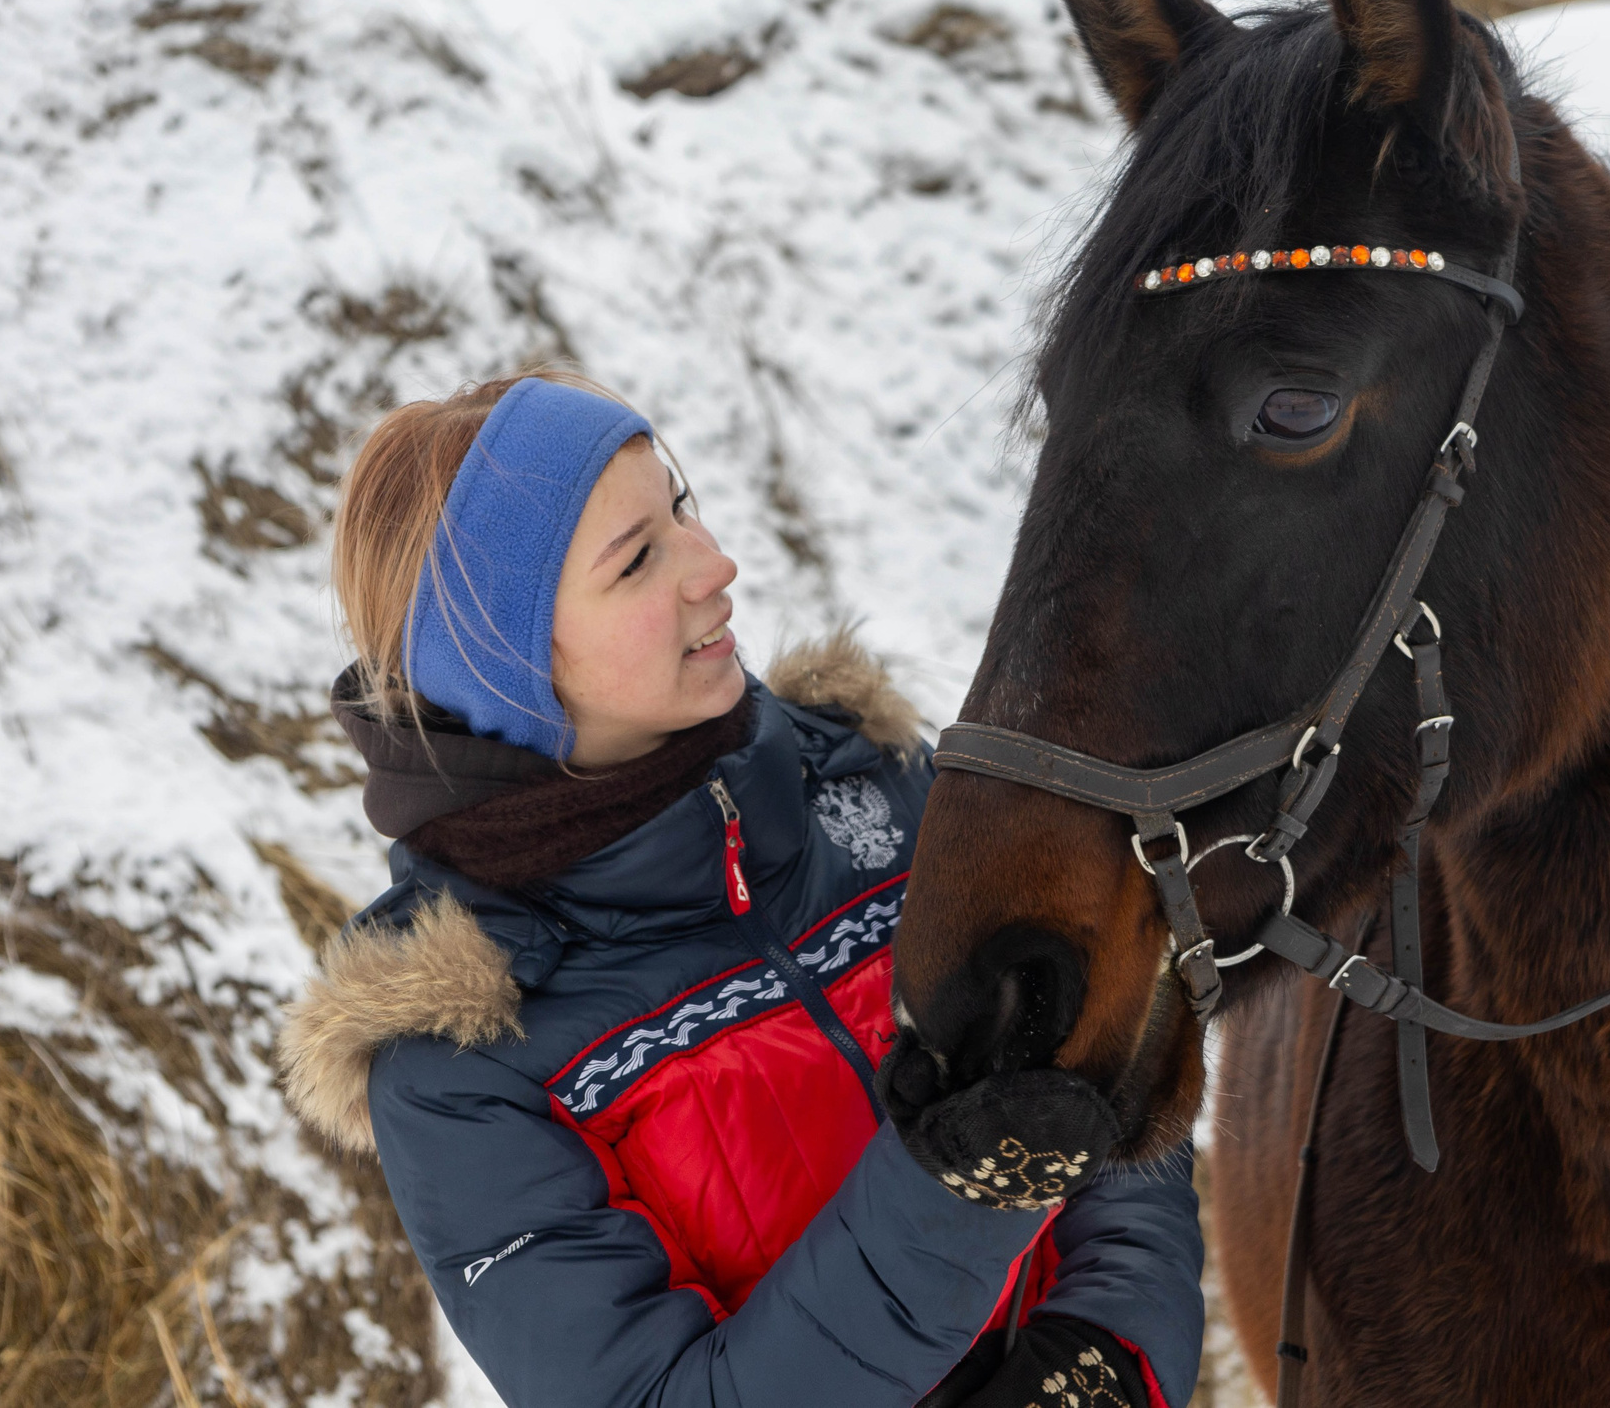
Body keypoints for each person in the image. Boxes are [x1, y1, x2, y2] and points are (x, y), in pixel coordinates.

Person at [280, 365, 1202, 1408]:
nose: (715, 563)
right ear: (507, 664)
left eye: (681, 508)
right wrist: (947, 1187)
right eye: (638, 560)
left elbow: (1101, 1069)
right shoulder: (460, 1062)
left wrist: (1106, 1354)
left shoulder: (883, 780)